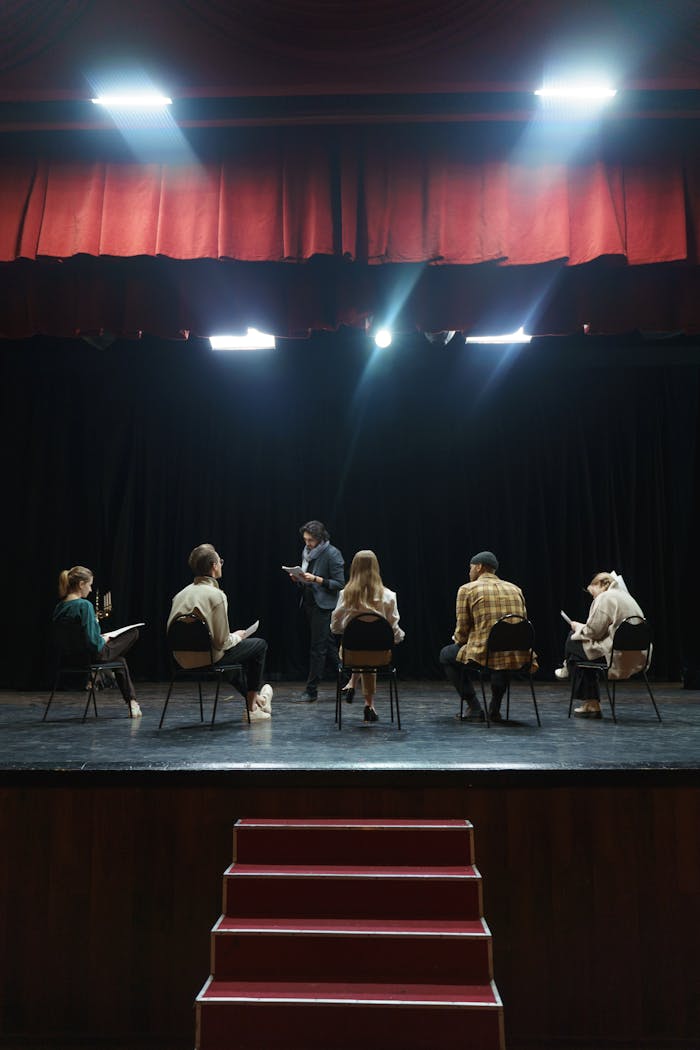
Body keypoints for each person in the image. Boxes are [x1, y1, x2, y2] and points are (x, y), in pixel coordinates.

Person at [167, 543, 272, 722]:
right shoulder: (216, 595)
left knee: (231, 657)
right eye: (220, 561)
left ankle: (259, 700)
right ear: (214, 566)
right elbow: (221, 642)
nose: (221, 564)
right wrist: (239, 636)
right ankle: (252, 707)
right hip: (208, 658)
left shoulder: (180, 595)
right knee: (258, 645)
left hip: (181, 660)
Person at [440, 550, 534, 723]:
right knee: (503, 651)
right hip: (518, 653)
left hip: (484, 654)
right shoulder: (516, 589)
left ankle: (474, 707)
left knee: (446, 655)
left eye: (470, 568)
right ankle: (495, 709)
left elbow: (462, 631)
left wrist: (459, 640)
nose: (469, 572)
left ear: (479, 567)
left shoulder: (467, 589)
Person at [52, 565, 142, 718]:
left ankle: (132, 701)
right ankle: (129, 700)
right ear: (81, 584)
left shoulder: (59, 607)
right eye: (90, 585)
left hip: (69, 658)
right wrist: (104, 639)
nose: (91, 589)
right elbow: (93, 644)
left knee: (120, 661)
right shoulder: (84, 605)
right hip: (91, 657)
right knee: (133, 632)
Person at [559, 571, 649, 719]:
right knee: (581, 653)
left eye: (592, 592)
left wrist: (576, 627)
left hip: (615, 656)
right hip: (639, 656)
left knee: (573, 642)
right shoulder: (626, 596)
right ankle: (588, 700)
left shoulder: (605, 597)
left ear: (600, 584)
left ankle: (587, 698)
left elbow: (593, 632)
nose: (593, 597)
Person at [330, 549, 405, 722]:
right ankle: (369, 705)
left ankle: (352, 684)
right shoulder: (388, 596)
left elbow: (335, 627)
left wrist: (348, 629)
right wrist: (398, 637)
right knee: (371, 649)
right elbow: (394, 630)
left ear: (354, 568)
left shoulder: (345, 595)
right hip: (380, 657)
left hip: (350, 656)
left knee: (359, 647)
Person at [289, 520, 345, 703]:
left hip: (324, 606)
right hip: (309, 602)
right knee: (327, 645)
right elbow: (305, 577)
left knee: (317, 648)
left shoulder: (332, 554)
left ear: (320, 538)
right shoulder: (307, 553)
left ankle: (311, 690)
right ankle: (347, 681)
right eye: (305, 539)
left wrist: (317, 579)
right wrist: (298, 578)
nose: (307, 543)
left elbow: (339, 584)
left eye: (311, 540)